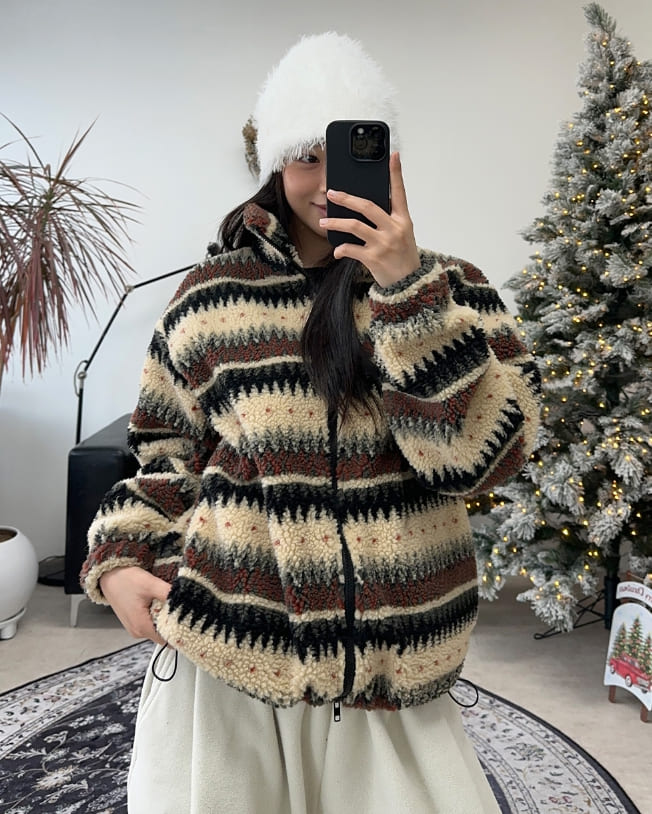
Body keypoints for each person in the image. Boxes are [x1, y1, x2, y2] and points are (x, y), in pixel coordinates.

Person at [81, 32, 540, 814]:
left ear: (388, 159)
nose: (327, 182)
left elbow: (481, 461)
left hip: (396, 664)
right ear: (274, 163)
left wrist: (407, 293)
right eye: (305, 156)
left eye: (348, 155)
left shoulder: (456, 290)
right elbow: (165, 452)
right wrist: (120, 555)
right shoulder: (208, 297)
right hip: (234, 650)